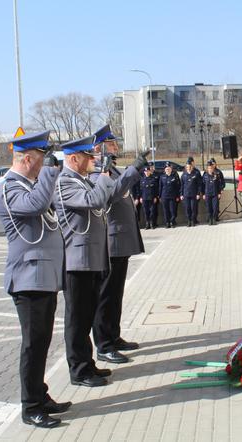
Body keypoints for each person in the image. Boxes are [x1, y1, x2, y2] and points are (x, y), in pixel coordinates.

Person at [0, 130, 69, 429]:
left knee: (42, 341)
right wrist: (51, 172)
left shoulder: (28, 184)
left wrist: (46, 173)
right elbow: (37, 206)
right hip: (27, 279)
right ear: (27, 159)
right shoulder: (11, 188)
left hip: (41, 277)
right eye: (40, 159)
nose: (43, 165)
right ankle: (31, 406)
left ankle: (41, 394)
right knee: (33, 345)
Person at [53, 135, 118, 387]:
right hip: (76, 261)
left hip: (89, 258)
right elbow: (94, 201)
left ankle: (87, 363)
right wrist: (103, 175)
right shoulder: (65, 183)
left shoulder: (80, 180)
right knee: (77, 319)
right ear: (73, 158)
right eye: (88, 157)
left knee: (87, 314)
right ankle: (79, 370)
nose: (92, 160)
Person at [90, 126, 149, 365]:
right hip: (110, 241)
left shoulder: (111, 168)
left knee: (116, 294)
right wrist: (134, 169)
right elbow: (113, 193)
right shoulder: (96, 172)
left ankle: (113, 336)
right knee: (106, 295)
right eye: (111, 143)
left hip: (120, 240)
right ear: (101, 146)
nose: (116, 145)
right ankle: (103, 344)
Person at [180, 159, 202, 227]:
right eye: (187, 167)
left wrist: (198, 193)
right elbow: (182, 185)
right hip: (186, 195)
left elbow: (199, 185)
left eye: (190, 167)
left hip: (194, 195)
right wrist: (181, 194)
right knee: (187, 208)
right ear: (186, 167)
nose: (188, 168)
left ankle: (193, 221)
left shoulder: (196, 174)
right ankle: (189, 221)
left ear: (192, 167)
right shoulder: (183, 175)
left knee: (193, 208)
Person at [202, 160, 224, 225]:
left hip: (215, 194)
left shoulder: (216, 175)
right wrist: (203, 194)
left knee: (215, 208)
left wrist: (219, 193)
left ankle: (214, 219)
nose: (210, 169)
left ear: (213, 168)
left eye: (211, 168)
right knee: (209, 208)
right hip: (207, 194)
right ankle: (210, 219)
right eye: (208, 168)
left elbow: (219, 185)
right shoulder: (205, 175)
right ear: (207, 168)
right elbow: (202, 185)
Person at [158, 163, 180, 228]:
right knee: (166, 211)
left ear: (171, 169)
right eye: (166, 169)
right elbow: (160, 187)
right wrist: (159, 196)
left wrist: (178, 196)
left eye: (169, 168)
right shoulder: (162, 177)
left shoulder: (174, 177)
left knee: (173, 210)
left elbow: (178, 187)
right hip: (164, 196)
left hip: (173, 196)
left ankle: (172, 222)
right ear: (165, 170)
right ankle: (167, 223)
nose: (168, 170)